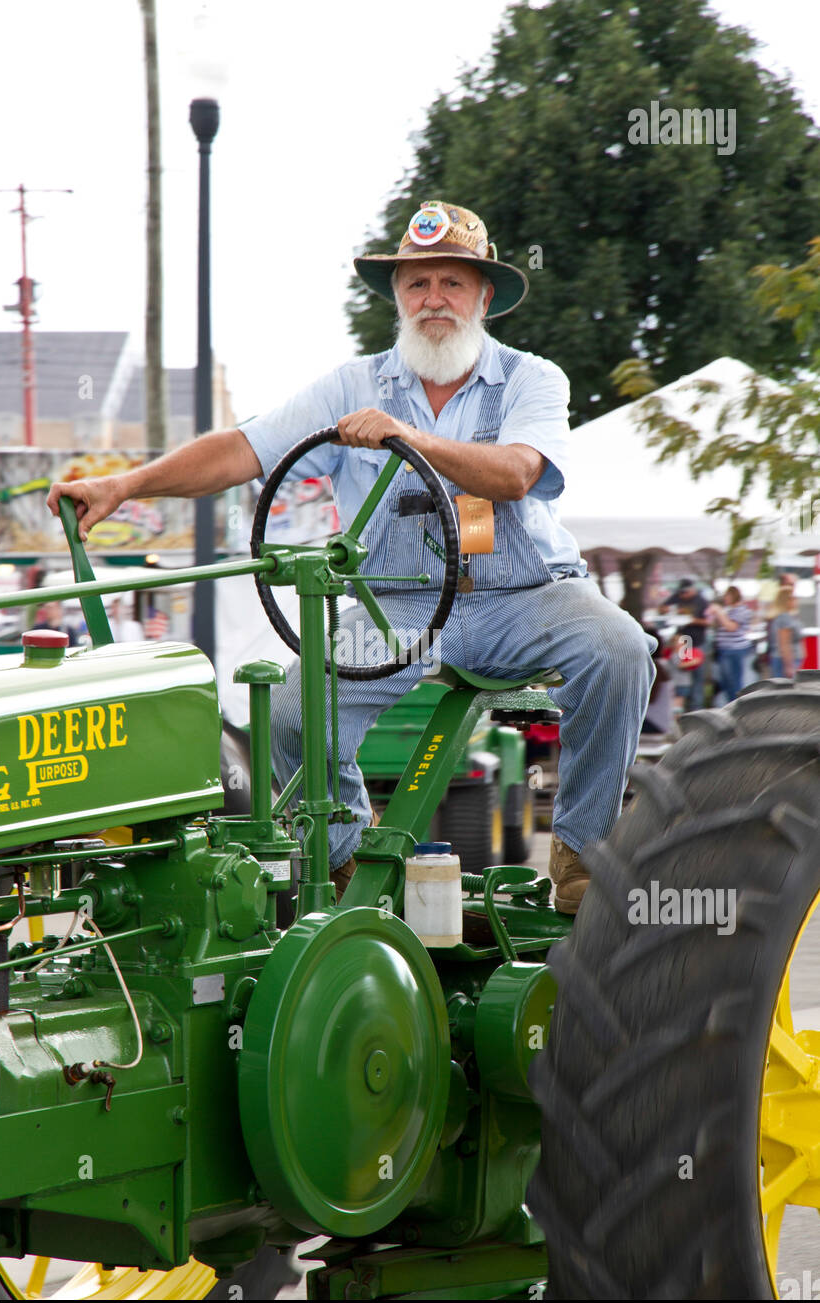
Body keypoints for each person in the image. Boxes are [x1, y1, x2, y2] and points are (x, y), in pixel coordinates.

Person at [48, 198, 655, 915]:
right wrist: (126, 483)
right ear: (397, 298)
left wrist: (411, 438)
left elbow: (518, 472)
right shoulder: (351, 385)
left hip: (526, 596)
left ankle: (582, 851)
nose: (435, 299)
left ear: (484, 296)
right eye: (417, 284)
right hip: (396, 604)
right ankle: (346, 865)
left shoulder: (531, 379)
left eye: (452, 283)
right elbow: (245, 449)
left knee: (619, 647)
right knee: (290, 710)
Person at [660, 577, 710, 711]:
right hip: (682, 644)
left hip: (696, 642)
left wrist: (691, 620)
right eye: (681, 593)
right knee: (680, 675)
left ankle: (696, 708)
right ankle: (681, 707)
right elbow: (662, 608)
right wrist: (670, 611)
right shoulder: (677, 597)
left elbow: (708, 622)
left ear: (692, 590)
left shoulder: (702, 602)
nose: (682, 595)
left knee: (697, 678)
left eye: (685, 592)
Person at [707, 585, 753, 703]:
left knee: (733, 682)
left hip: (734, 650)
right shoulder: (729, 610)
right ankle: (730, 705)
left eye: (727, 596)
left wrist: (719, 611)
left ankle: (736, 706)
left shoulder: (742, 610)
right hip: (724, 649)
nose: (725, 599)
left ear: (733, 596)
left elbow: (731, 627)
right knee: (725, 682)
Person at [768, 589, 803, 679]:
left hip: (784, 659)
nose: (796, 600)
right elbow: (784, 644)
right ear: (786, 601)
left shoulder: (785, 616)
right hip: (786, 660)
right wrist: (789, 666)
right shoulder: (785, 618)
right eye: (793, 598)